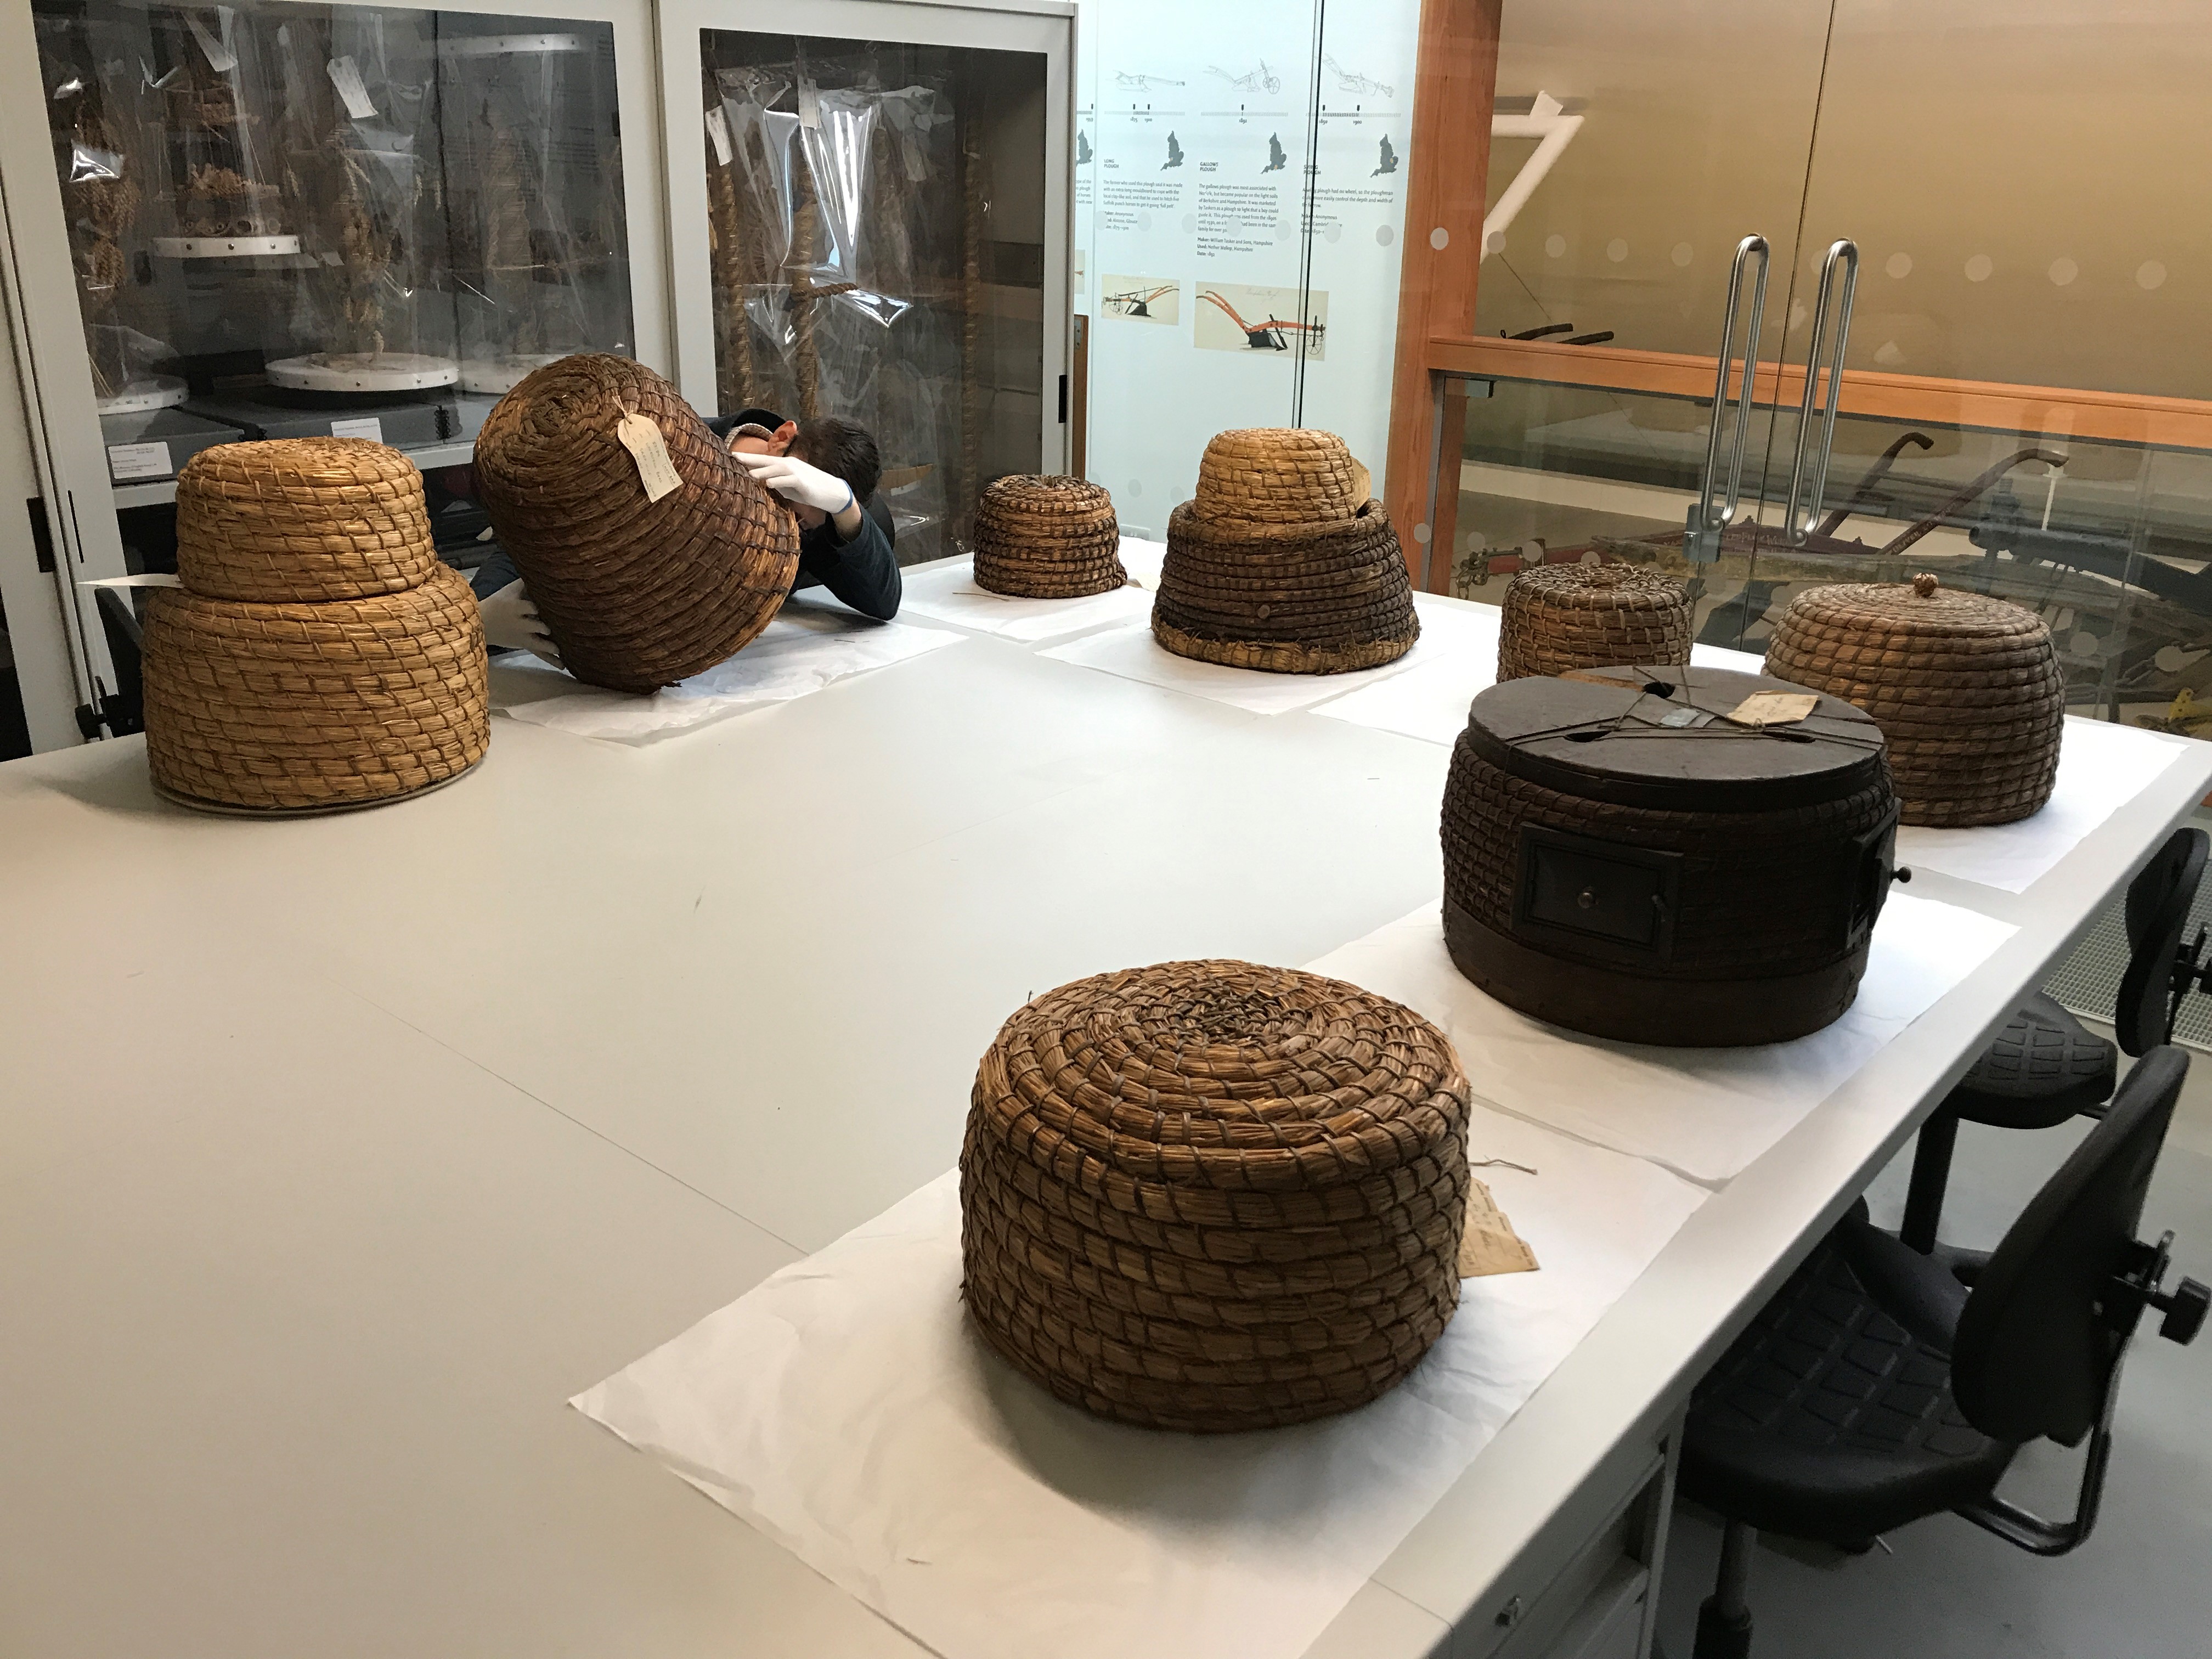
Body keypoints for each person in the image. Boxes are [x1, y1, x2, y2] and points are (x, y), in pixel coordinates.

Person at [475, 404, 901, 667]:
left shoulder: (828, 518)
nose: (785, 520)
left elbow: (883, 603)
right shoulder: (667, 445)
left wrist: (843, 508)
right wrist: (481, 623)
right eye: (787, 501)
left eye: (803, 518)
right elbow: (559, 520)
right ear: (782, 439)